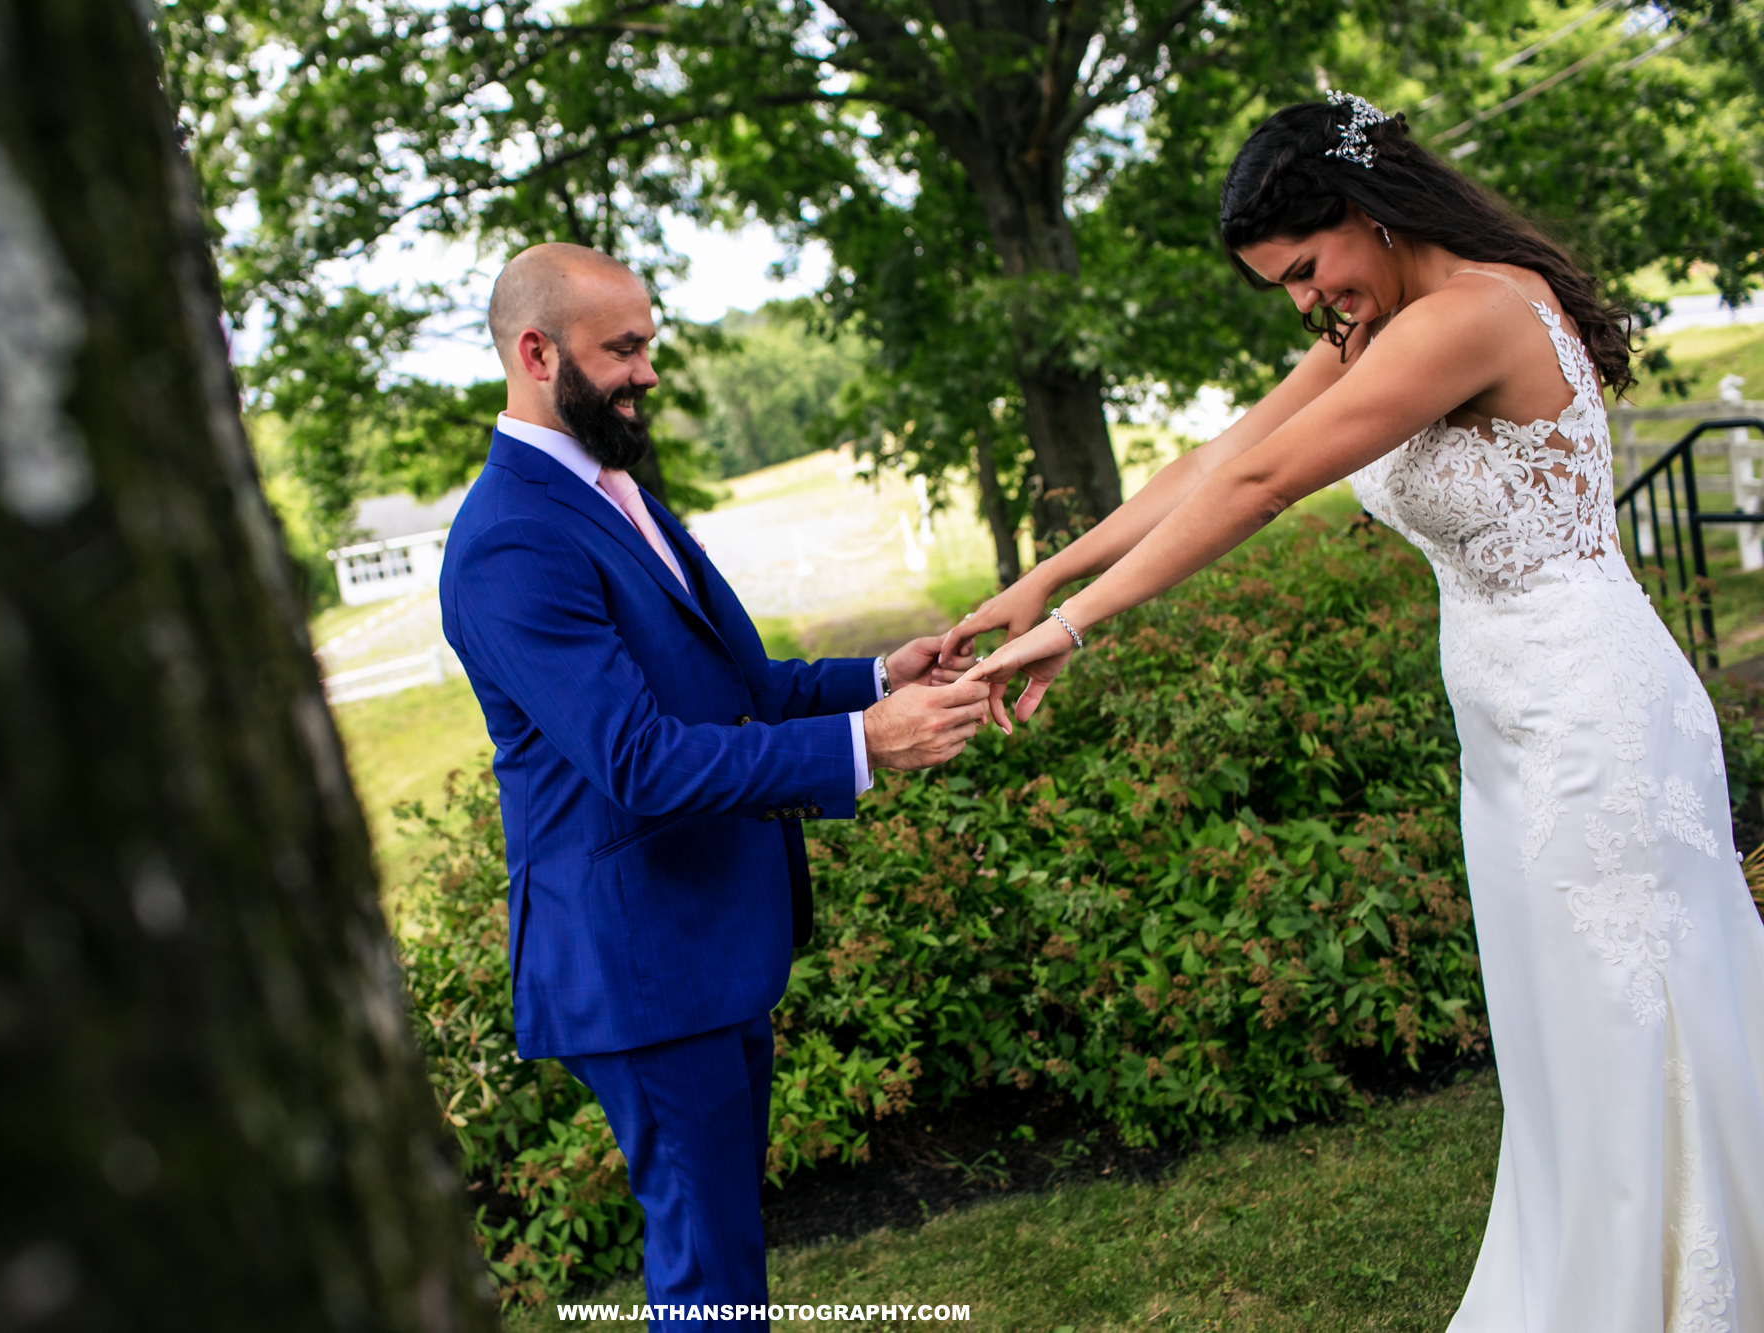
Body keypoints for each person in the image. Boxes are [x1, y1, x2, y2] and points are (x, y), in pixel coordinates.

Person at [949, 95, 1764, 1329]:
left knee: (1627, 1025)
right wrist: (1043, 576)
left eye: (1302, 268)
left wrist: (1074, 632)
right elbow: (1220, 457)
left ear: (1366, 213)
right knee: (1559, 1051)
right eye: (1278, 285)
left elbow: (1273, 484)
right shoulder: (1374, 327)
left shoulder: (1471, 314)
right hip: (1507, 739)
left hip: (1591, 727)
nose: (1302, 302)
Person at [438, 243, 990, 1329]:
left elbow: (736, 686)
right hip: (638, 960)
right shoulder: (509, 539)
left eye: (649, 344)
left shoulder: (612, 487)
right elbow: (638, 758)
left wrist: (882, 673)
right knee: (708, 1269)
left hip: (698, 942)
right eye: (625, 349)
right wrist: (864, 746)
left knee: (721, 1249)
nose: (648, 371)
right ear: (536, 352)